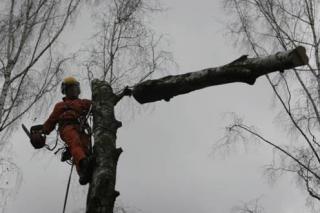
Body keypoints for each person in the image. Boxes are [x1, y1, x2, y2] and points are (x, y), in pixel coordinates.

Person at [42, 76, 94, 185]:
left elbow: (98, 105)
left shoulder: (83, 103)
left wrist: (116, 97)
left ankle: (84, 173)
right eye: (71, 88)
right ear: (66, 91)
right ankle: (84, 164)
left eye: (75, 88)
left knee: (85, 149)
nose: (74, 90)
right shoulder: (60, 106)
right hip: (67, 127)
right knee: (75, 142)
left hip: (82, 129)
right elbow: (51, 121)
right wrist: (42, 131)